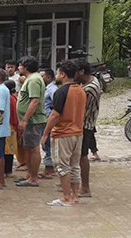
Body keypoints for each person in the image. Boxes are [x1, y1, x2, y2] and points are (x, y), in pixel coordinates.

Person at [41, 60, 86, 207]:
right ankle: (75, 195)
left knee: (62, 166)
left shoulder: (61, 91)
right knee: (74, 165)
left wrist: (45, 133)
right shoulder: (81, 90)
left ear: (63, 74)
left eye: (58, 72)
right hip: (78, 132)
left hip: (63, 132)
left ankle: (66, 197)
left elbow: (55, 115)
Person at [15, 56, 46, 188]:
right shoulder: (31, 79)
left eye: (20, 65)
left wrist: (25, 119)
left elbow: (35, 100)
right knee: (27, 147)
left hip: (33, 121)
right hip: (30, 121)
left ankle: (33, 178)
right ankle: (29, 174)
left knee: (33, 148)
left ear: (26, 67)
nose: (18, 68)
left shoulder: (33, 80)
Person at [75, 59, 101, 198]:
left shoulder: (89, 89)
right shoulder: (89, 81)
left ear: (81, 72)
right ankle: (74, 183)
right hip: (85, 124)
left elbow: (81, 109)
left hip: (85, 125)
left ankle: (85, 187)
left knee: (82, 155)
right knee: (77, 155)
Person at [40, 67, 58, 178]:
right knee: (45, 143)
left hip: (49, 120)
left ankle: (50, 168)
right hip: (44, 119)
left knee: (48, 143)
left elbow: (56, 104)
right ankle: (48, 167)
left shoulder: (52, 89)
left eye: (42, 76)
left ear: (48, 77)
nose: (40, 78)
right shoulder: (45, 88)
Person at [4, 80, 19, 177]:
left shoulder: (8, 99)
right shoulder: (14, 98)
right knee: (10, 150)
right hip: (12, 126)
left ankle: (5, 171)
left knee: (6, 150)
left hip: (8, 125)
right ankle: (8, 171)